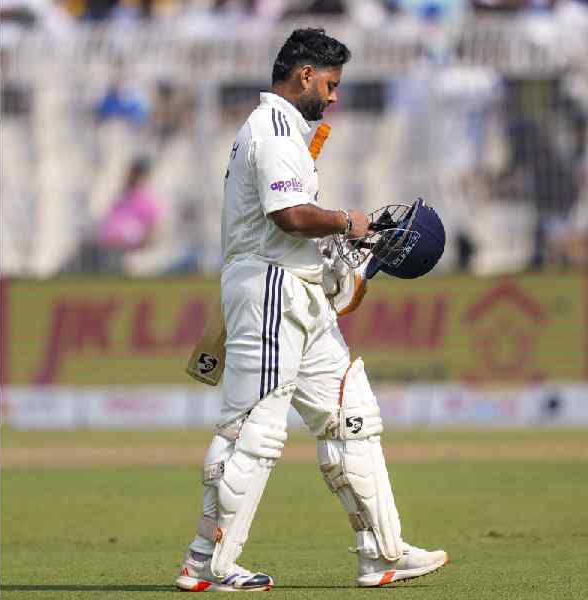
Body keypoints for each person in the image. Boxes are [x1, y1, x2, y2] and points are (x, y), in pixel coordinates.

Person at [174, 28, 448, 592]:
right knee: (253, 432)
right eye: (330, 83)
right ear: (304, 75)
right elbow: (290, 216)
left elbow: (296, 225)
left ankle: (382, 552)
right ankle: (210, 564)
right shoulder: (273, 130)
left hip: (297, 293)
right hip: (271, 291)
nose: (334, 96)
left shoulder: (286, 132)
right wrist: (348, 222)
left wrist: (340, 263)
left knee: (352, 416)